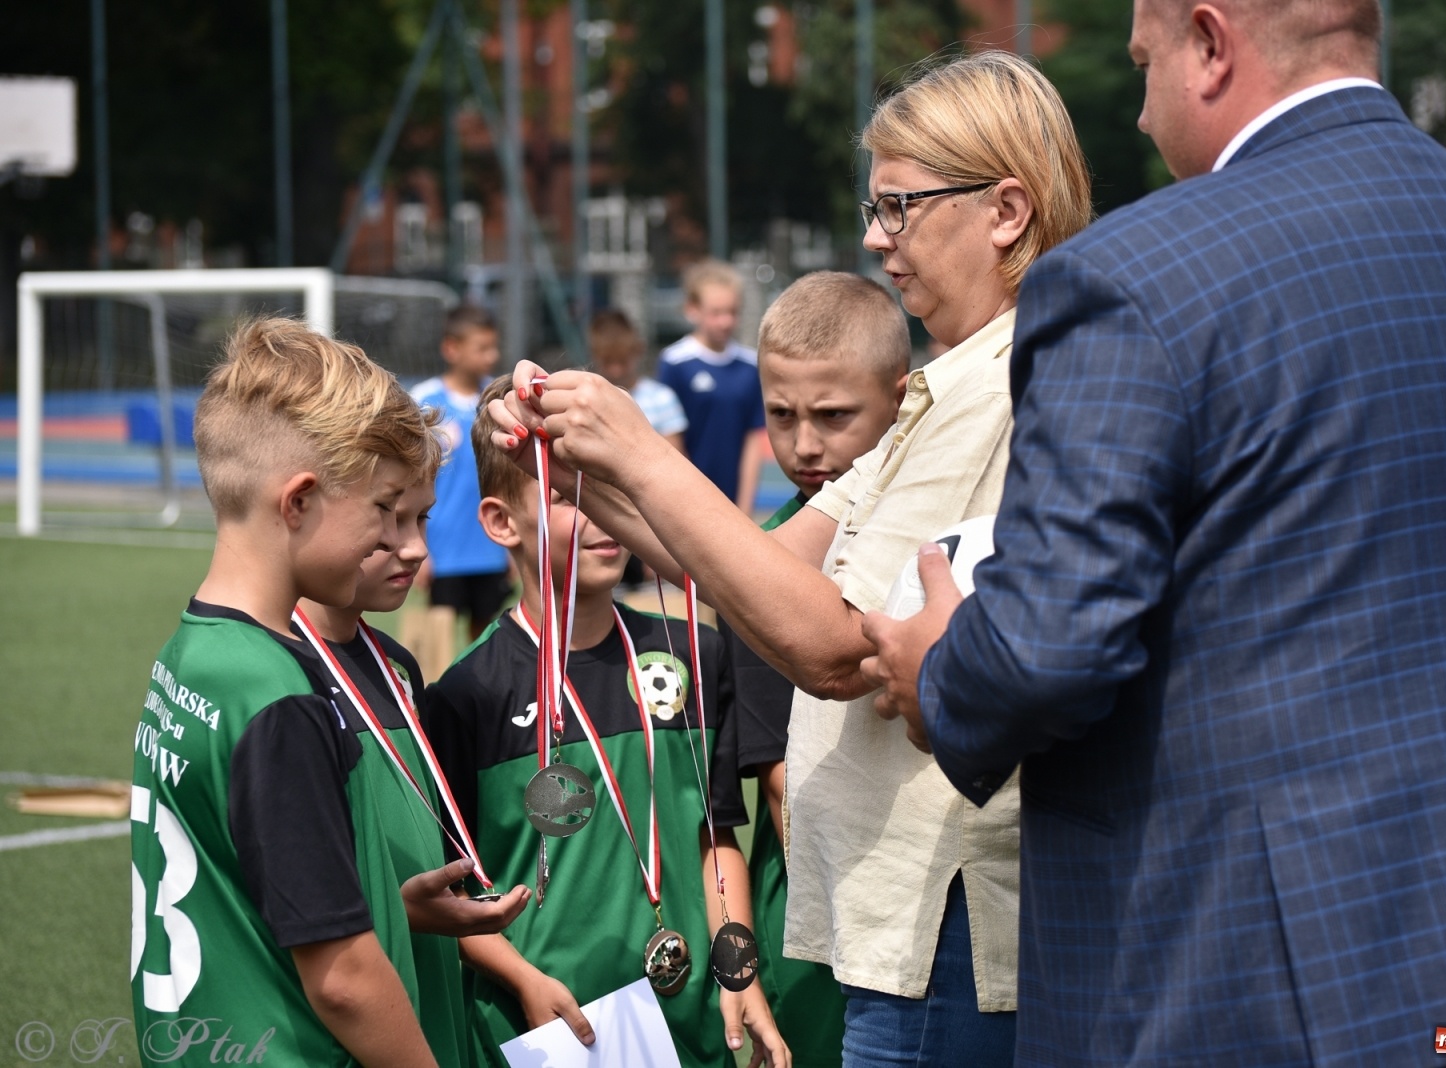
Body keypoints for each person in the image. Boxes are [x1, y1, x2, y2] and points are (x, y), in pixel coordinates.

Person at [861, 2, 1446, 1064]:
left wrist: (942, 672)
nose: (1143, 111)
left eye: (1145, 63)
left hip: (1261, 982)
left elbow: (1045, 647)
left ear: (1209, 44)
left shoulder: (1134, 278)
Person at [485, 51, 1093, 1068]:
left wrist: (636, 448)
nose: (873, 236)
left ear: (1005, 210)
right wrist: (573, 459)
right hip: (904, 918)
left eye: (900, 207)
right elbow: (753, 567)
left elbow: (830, 646)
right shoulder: (955, 382)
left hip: (942, 919)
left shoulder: (1003, 386)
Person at [130, 317, 523, 1068]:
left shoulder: (191, 654)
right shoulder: (277, 693)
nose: (406, 544)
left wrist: (392, 907)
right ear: (300, 501)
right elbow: (343, 979)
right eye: (383, 509)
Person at [422, 377, 790, 1068]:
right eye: (566, 497)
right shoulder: (465, 694)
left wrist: (739, 973)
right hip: (543, 1031)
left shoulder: (694, 655)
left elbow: (717, 836)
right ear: (501, 521)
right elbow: (450, 899)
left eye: (607, 491)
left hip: (690, 1024)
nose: (599, 518)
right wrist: (525, 980)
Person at [297, 465, 586, 1068]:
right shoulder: (279, 681)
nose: (417, 547)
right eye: (388, 518)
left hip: (427, 1011)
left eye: (421, 518)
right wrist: (396, 910)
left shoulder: (397, 667)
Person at [729, 271, 910, 1068]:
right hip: (824, 923)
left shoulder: (934, 526)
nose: (805, 445)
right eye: (781, 415)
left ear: (904, 401)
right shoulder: (762, 565)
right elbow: (778, 788)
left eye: (834, 416)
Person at [413, 305, 509, 643]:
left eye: (494, 346)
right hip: (443, 550)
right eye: (482, 347)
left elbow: (508, 477)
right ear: (451, 348)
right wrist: (420, 549)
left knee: (487, 639)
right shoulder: (424, 402)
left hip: (490, 546)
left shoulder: (498, 399)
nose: (491, 355)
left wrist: (511, 548)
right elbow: (412, 484)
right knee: (440, 641)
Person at [657, 260, 767, 514]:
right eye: (716, 312)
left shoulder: (749, 366)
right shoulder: (675, 362)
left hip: (734, 501)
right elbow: (669, 440)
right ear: (692, 309)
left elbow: (753, 440)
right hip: (688, 502)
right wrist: (689, 500)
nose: (726, 321)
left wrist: (745, 506)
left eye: (732, 312)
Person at [589, 308, 688, 454]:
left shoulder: (661, 398)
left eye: (623, 361)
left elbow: (676, 457)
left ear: (637, 351)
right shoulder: (587, 397)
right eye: (608, 361)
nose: (616, 370)